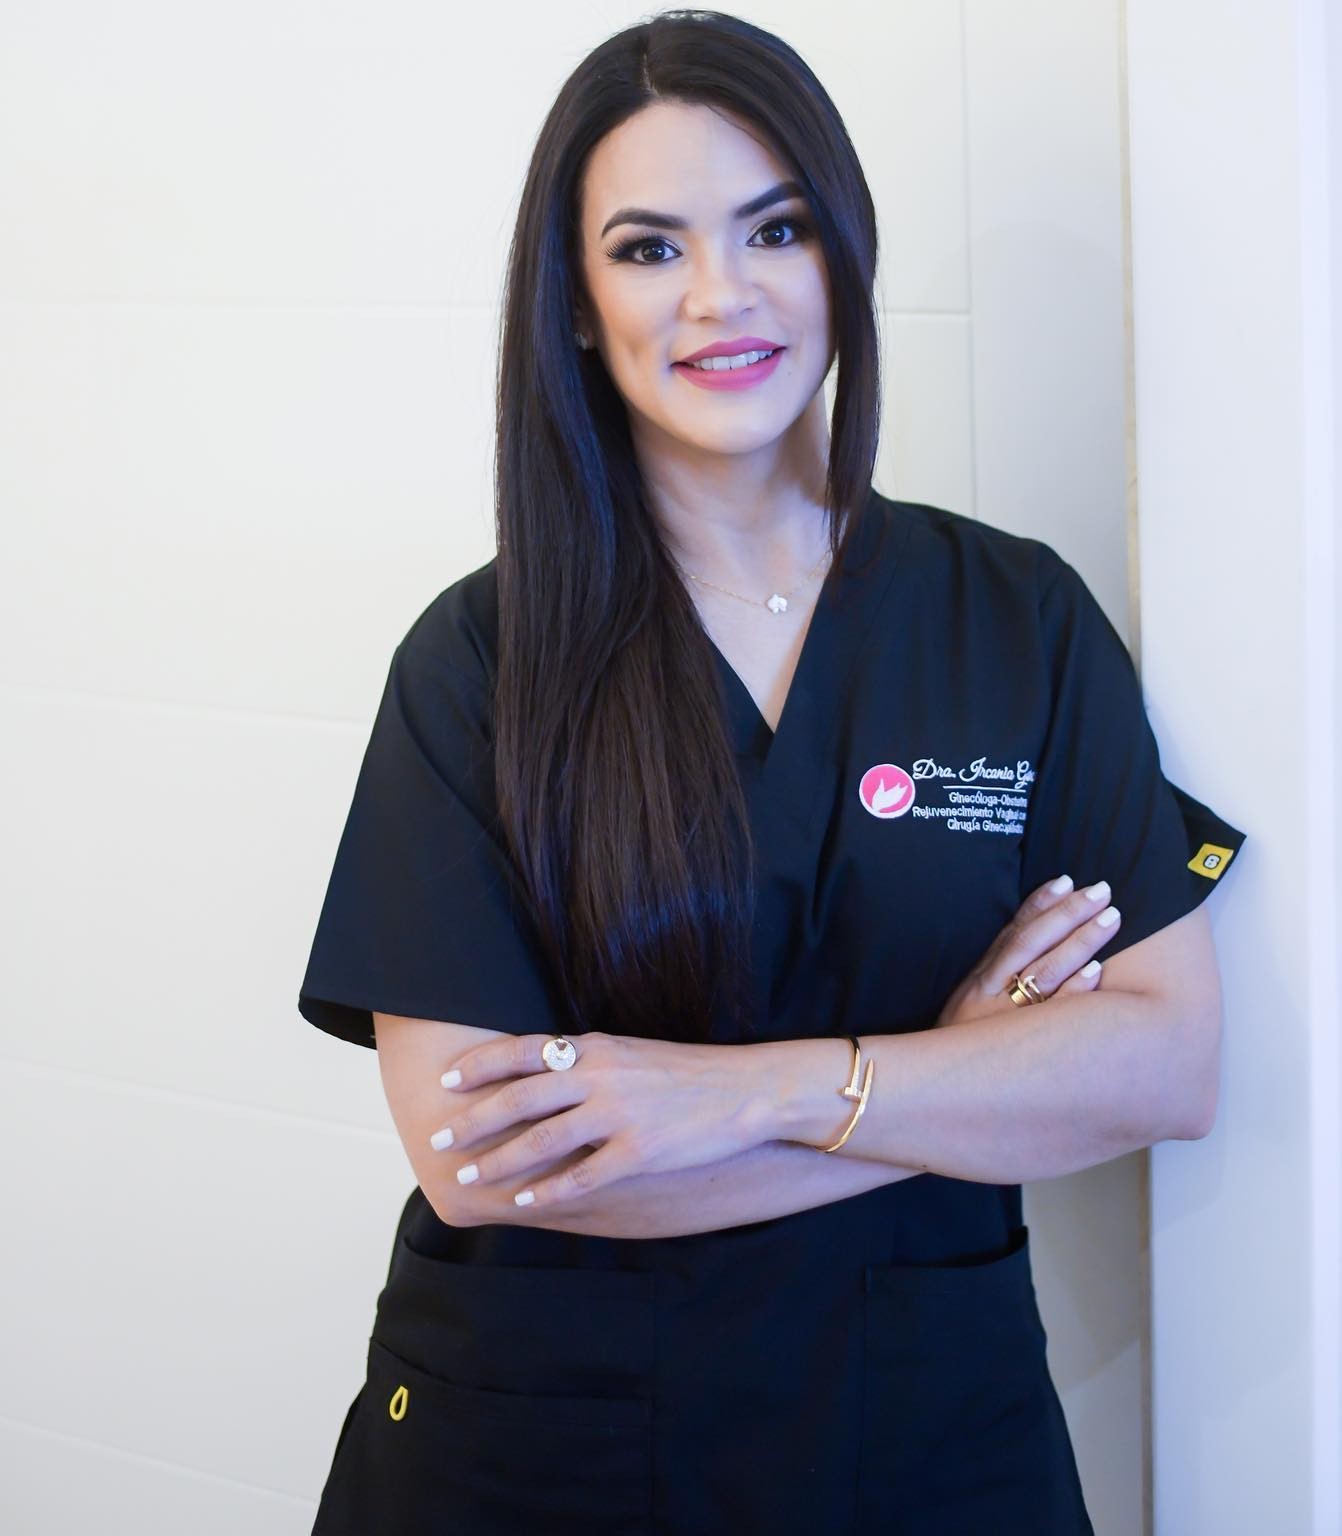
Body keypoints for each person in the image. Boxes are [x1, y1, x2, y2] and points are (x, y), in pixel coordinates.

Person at [297, 11, 1246, 1534]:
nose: (720, 295)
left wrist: (753, 1094)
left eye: (775, 228)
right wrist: (947, 1078)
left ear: (843, 256)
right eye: (648, 248)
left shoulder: (1014, 616)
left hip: (930, 1434)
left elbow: (1164, 1066)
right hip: (546, 1450)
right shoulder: (480, 662)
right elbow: (488, 1164)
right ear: (575, 301)